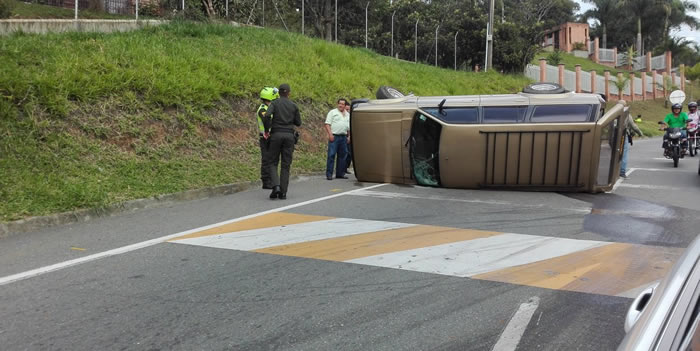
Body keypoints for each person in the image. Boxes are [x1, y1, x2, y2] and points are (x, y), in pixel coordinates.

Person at [263, 83, 302, 200]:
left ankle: (276, 186)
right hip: (289, 136)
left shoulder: (274, 103)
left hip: (276, 135)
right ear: (289, 93)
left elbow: (267, 115)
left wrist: (266, 130)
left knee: (272, 162)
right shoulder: (293, 105)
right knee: (286, 165)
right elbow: (298, 123)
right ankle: (283, 192)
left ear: (278, 93)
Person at [256, 87, 279, 189]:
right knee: (266, 159)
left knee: (272, 159)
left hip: (272, 137)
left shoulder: (271, 108)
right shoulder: (262, 109)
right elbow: (267, 120)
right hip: (265, 138)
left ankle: (272, 179)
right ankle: (266, 181)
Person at [324, 99, 350, 180]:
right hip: (334, 136)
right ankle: (329, 174)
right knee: (331, 155)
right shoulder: (332, 112)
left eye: (342, 104)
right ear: (337, 104)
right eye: (339, 103)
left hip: (343, 137)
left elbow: (349, 127)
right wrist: (330, 134)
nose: (340, 105)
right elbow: (327, 124)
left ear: (345, 106)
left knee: (343, 155)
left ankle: (340, 173)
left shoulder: (348, 115)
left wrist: (349, 136)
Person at [620, 114, 644, 178]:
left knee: (614, 153)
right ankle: (622, 172)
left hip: (613, 135)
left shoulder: (612, 112)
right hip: (623, 135)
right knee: (624, 153)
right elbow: (633, 126)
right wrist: (640, 133)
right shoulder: (627, 114)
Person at [343, 102, 352, 175]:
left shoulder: (349, 116)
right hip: (343, 135)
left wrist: (349, 136)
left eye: (349, 110)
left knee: (349, 154)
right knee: (343, 153)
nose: (347, 111)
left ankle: (346, 168)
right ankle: (341, 168)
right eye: (346, 109)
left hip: (349, 136)